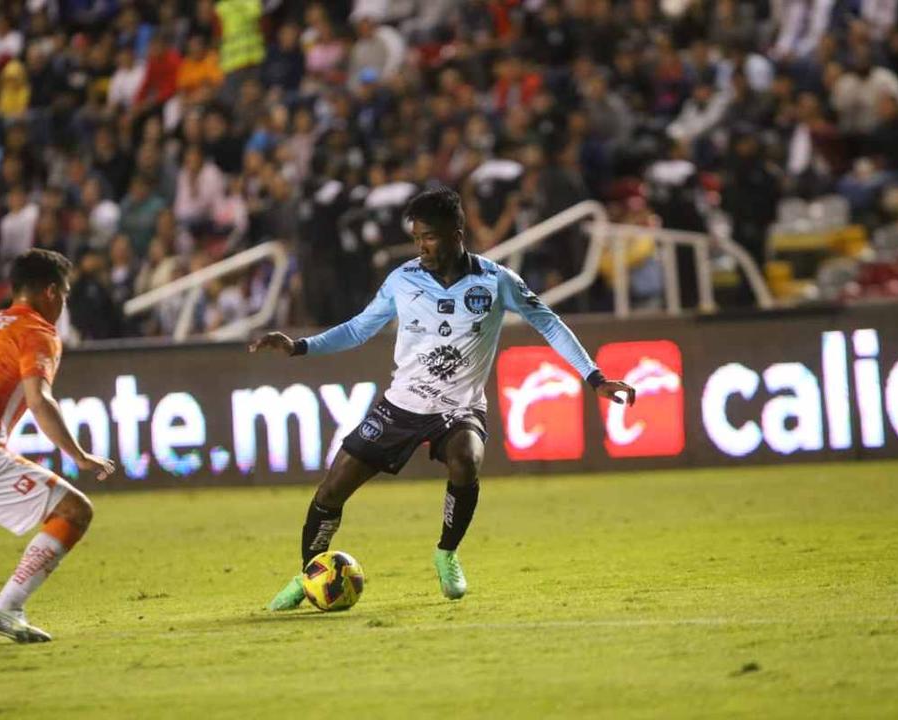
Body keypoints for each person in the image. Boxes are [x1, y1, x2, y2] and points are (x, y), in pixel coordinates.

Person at [249, 187, 636, 607]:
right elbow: (360, 328)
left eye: (428, 237)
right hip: (402, 404)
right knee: (332, 490)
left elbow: (550, 325)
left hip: (460, 407)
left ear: (456, 231)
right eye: (416, 238)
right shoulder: (402, 280)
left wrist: (595, 378)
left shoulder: (497, 281)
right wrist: (300, 346)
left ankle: (446, 552)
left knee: (466, 459)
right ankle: (309, 576)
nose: (421, 247)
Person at [0, 249, 116, 643]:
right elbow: (39, 400)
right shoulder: (36, 331)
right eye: (65, 296)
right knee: (73, 510)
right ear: (51, 292)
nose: (63, 305)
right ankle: (7, 607)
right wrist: (79, 455)